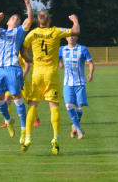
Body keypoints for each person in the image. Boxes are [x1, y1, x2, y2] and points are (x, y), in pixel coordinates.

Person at [20, 9, 80, 155]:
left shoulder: (32, 33)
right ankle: (56, 138)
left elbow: (22, 50)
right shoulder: (55, 31)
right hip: (51, 74)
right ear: (50, 20)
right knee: (54, 108)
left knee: (32, 107)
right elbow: (75, 31)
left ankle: (27, 138)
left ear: (37, 22)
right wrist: (75, 20)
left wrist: (28, 59)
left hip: (37, 74)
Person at [0, 0, 34, 144]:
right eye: (14, 17)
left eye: (18, 18)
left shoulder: (20, 31)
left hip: (13, 68)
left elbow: (30, 19)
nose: (17, 19)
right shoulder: (1, 32)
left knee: (16, 97)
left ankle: (23, 129)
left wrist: (27, 3)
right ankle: (9, 121)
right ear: (8, 21)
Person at [58, 36, 95, 139]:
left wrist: (91, 73)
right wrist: (60, 62)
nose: (71, 37)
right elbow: (56, 58)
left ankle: (75, 127)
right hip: (67, 83)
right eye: (69, 35)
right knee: (69, 106)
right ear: (66, 37)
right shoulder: (62, 49)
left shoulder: (83, 49)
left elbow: (91, 63)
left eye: (73, 35)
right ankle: (79, 130)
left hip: (80, 83)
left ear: (77, 37)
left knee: (79, 109)